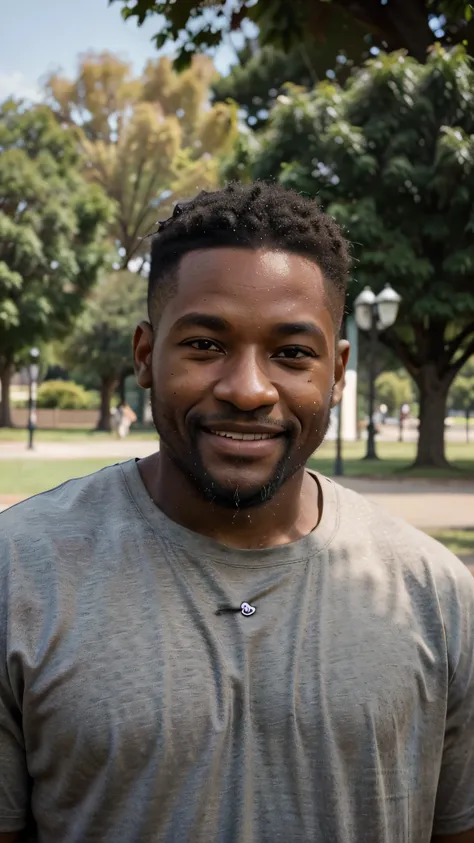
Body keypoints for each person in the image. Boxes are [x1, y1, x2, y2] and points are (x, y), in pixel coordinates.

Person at [0, 182, 473, 843]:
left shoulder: (437, 595)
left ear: (337, 372)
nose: (248, 389)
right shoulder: (19, 574)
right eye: (205, 344)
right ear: (145, 355)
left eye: (292, 353)